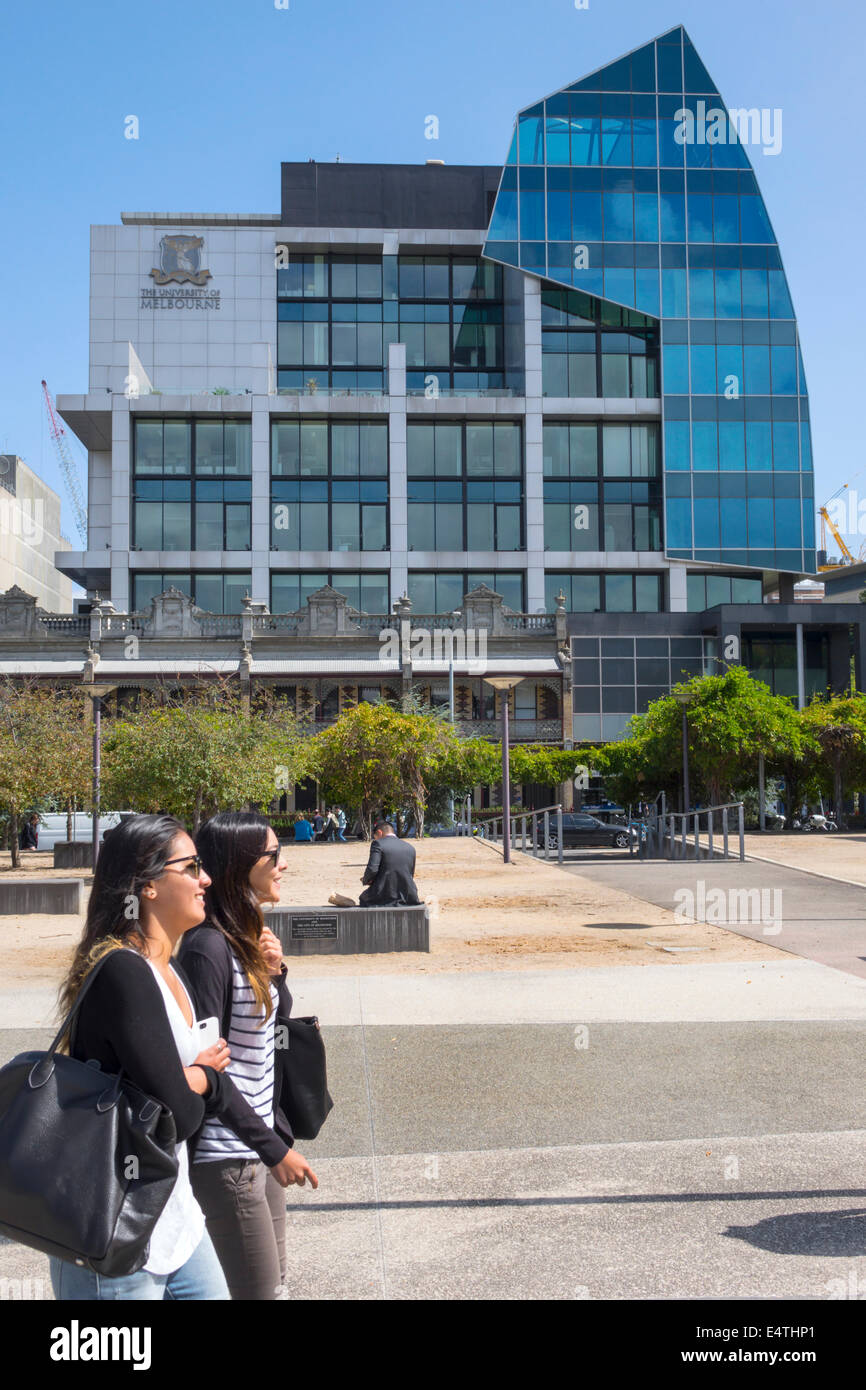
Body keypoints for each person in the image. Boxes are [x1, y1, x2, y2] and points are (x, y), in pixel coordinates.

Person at [50, 814, 232, 1300]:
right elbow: (184, 1113)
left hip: (175, 1216)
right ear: (147, 885)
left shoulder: (170, 969)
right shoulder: (124, 974)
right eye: (191, 867)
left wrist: (195, 1081)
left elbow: (189, 1101)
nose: (206, 879)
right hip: (113, 1231)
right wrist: (201, 1079)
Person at [179, 813, 319, 1301]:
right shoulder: (207, 951)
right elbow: (210, 1070)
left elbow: (267, 1033)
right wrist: (274, 1148)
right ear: (240, 866)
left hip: (258, 1147)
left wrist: (276, 974)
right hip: (226, 1156)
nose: (282, 866)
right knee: (258, 1294)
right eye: (273, 856)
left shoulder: (245, 938)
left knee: (275, 1287)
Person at [329, 820, 421, 908]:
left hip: (384, 895)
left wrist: (366, 880)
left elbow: (372, 869)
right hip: (409, 896)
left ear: (380, 833)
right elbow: (409, 874)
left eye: (375, 836)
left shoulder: (378, 844)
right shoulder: (410, 848)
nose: (375, 839)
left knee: (364, 898)